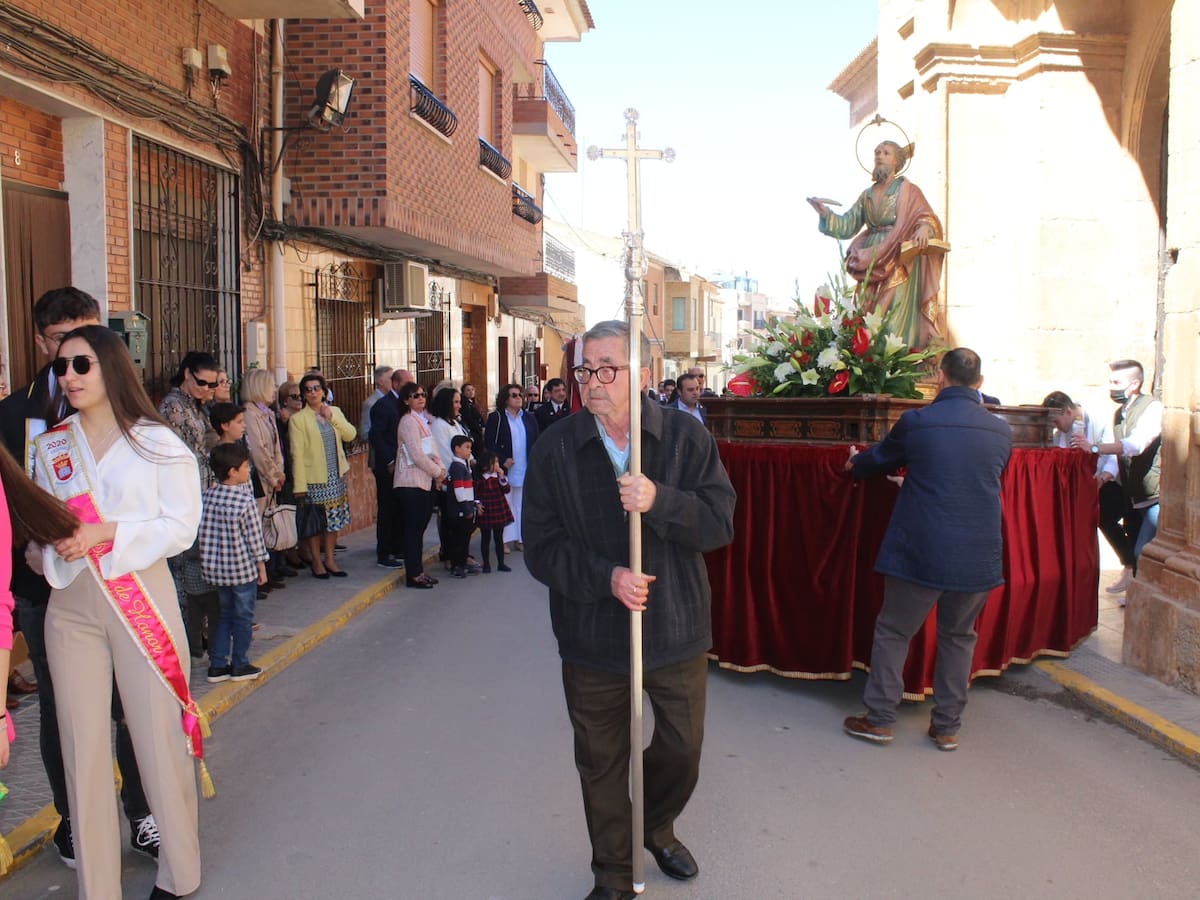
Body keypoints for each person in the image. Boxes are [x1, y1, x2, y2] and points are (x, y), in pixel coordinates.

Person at [523, 320, 737, 900]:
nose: (593, 382)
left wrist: (659, 500)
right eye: (584, 370)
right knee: (601, 761)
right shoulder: (556, 448)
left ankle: (654, 823)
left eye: (607, 369)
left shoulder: (685, 439)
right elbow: (540, 546)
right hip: (591, 632)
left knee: (683, 747)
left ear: (642, 375)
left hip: (675, 625)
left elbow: (719, 524)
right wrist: (607, 577)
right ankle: (614, 874)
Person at [33, 325, 204, 900]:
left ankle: (178, 874)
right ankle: (97, 886)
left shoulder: (156, 442)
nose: (70, 376)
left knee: (156, 739)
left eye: (81, 364)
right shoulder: (52, 446)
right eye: (61, 367)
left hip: (139, 593)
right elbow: (44, 526)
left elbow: (180, 526)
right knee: (80, 747)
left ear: (111, 366)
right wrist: (48, 546)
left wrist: (106, 532)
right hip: (71, 601)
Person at [0, 287, 162, 868]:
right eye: (61, 340)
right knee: (63, 709)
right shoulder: (14, 414)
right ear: (41, 342)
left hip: (124, 582)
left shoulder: (133, 413)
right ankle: (74, 818)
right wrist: (35, 550)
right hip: (49, 587)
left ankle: (144, 814)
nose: (75, 352)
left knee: (133, 703)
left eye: (89, 336)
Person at [842, 347, 1011, 752]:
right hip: (978, 550)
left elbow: (879, 460)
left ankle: (880, 719)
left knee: (894, 631)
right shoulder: (1000, 430)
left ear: (940, 377)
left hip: (923, 546)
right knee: (959, 636)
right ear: (980, 383)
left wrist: (855, 463)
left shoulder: (918, 422)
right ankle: (947, 727)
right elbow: (979, 478)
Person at [808, 140, 945, 351]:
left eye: (886, 153)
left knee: (892, 314)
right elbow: (848, 224)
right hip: (869, 259)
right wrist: (825, 213)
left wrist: (924, 228)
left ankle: (894, 360)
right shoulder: (867, 195)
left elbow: (925, 215)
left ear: (896, 161)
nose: (879, 156)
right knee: (866, 313)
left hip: (897, 255)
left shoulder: (908, 191)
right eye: (877, 152)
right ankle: (868, 360)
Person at [1071, 359, 1162, 597]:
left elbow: (1135, 445)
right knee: (1121, 535)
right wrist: (1104, 476)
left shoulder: (1153, 408)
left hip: (1153, 495)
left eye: (1116, 382)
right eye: (1110, 382)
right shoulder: (1120, 414)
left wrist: (1094, 448)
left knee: (1143, 551)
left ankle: (1142, 599)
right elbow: (1119, 455)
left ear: (1135, 384)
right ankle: (1134, 593)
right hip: (1132, 494)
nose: (1111, 387)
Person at [198, 442, 269, 684]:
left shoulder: (206, 497)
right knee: (243, 618)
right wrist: (262, 566)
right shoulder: (245, 501)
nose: (249, 470)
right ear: (232, 471)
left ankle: (217, 665)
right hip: (241, 570)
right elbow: (255, 538)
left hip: (216, 571)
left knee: (224, 616)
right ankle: (240, 663)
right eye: (246, 466)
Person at [289, 372, 356, 579]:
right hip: (313, 480)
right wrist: (300, 486)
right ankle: (316, 562)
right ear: (303, 395)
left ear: (324, 392)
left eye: (316, 388)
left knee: (333, 521)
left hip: (335, 477)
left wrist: (332, 417)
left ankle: (330, 559)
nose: (313, 393)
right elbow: (297, 454)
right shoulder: (298, 419)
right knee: (315, 522)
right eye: (308, 390)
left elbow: (350, 434)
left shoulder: (334, 411)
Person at [394, 382, 444, 588]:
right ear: (406, 400)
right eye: (415, 396)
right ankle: (413, 574)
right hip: (410, 482)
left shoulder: (422, 420)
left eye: (423, 395)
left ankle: (419, 571)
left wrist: (440, 469)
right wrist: (437, 472)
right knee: (413, 531)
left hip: (424, 481)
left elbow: (431, 450)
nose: (421, 398)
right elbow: (416, 454)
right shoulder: (408, 421)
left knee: (418, 530)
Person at [485, 383, 540, 551]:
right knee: (505, 505)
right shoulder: (497, 418)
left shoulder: (529, 418)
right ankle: (503, 541)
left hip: (524, 467)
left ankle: (520, 538)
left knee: (521, 505)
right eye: (514, 395)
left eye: (520, 395)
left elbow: (536, 441)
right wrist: (502, 460)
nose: (519, 398)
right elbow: (489, 443)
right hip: (505, 470)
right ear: (505, 399)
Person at [429, 387, 479, 573]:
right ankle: (451, 556)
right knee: (450, 522)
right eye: (456, 402)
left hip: (464, 479)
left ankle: (462, 555)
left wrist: (473, 461)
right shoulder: (439, 426)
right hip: (451, 481)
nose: (459, 405)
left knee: (464, 523)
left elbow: (465, 446)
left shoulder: (455, 423)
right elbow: (445, 453)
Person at [368, 370, 405, 569]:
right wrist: (390, 460)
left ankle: (397, 547)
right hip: (387, 467)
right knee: (387, 509)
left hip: (403, 466)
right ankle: (384, 552)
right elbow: (376, 435)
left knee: (399, 508)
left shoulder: (404, 405)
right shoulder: (383, 406)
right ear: (396, 384)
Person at [473, 450, 513, 573]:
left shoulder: (498, 478)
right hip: (486, 511)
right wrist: (477, 504)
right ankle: (486, 564)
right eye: (493, 462)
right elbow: (476, 494)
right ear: (485, 465)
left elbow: (506, 490)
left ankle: (501, 563)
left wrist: (502, 476)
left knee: (499, 538)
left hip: (498, 509)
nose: (497, 465)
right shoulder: (480, 479)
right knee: (485, 538)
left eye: (497, 462)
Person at [445, 435, 479, 578]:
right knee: (458, 540)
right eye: (467, 447)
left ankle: (463, 562)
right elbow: (459, 491)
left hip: (465, 508)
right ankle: (456, 566)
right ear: (457, 449)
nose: (469, 450)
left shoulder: (463, 466)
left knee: (464, 539)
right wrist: (466, 509)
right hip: (460, 510)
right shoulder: (457, 467)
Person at [360, 365, 394, 442]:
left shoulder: (394, 399)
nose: (394, 381)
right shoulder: (371, 403)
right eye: (391, 378)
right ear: (380, 382)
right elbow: (365, 432)